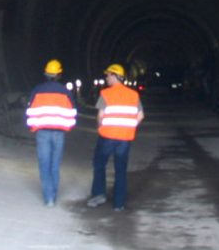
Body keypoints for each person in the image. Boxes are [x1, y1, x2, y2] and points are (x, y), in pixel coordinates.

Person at [87, 63, 143, 212]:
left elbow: (100, 115)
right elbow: (140, 115)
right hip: (125, 138)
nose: (106, 78)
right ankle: (119, 203)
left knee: (99, 164)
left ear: (114, 76)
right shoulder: (134, 94)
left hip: (107, 136)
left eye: (108, 75)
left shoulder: (106, 93)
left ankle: (99, 194)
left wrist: (100, 127)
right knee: (121, 169)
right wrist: (129, 126)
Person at [25, 59, 78, 206]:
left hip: (42, 132)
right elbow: (72, 113)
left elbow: (30, 112)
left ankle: (48, 197)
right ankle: (53, 195)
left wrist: (32, 127)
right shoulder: (66, 92)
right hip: (59, 133)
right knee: (55, 165)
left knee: (44, 164)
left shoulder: (37, 90)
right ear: (59, 74)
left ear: (46, 74)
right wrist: (67, 128)